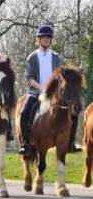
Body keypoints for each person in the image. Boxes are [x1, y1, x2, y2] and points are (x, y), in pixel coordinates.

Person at [19, 24, 81, 155]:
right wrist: (42, 88)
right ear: (39, 39)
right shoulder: (32, 57)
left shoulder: (56, 57)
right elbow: (29, 78)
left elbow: (61, 77)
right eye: (43, 37)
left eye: (48, 37)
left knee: (73, 111)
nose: (46, 39)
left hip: (55, 94)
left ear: (51, 39)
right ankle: (25, 143)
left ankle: (71, 143)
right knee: (24, 112)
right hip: (36, 92)